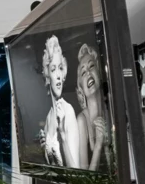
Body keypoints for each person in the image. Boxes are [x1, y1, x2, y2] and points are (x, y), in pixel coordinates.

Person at [41, 35, 79, 167]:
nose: (58, 75)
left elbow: (76, 172)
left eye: (60, 68)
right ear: (47, 76)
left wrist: (62, 135)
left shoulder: (68, 111)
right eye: (53, 69)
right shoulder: (48, 117)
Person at [75, 43, 107, 172]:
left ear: (99, 72)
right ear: (81, 87)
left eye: (91, 66)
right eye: (83, 72)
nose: (88, 72)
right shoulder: (81, 120)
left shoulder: (111, 111)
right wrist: (98, 144)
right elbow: (87, 180)